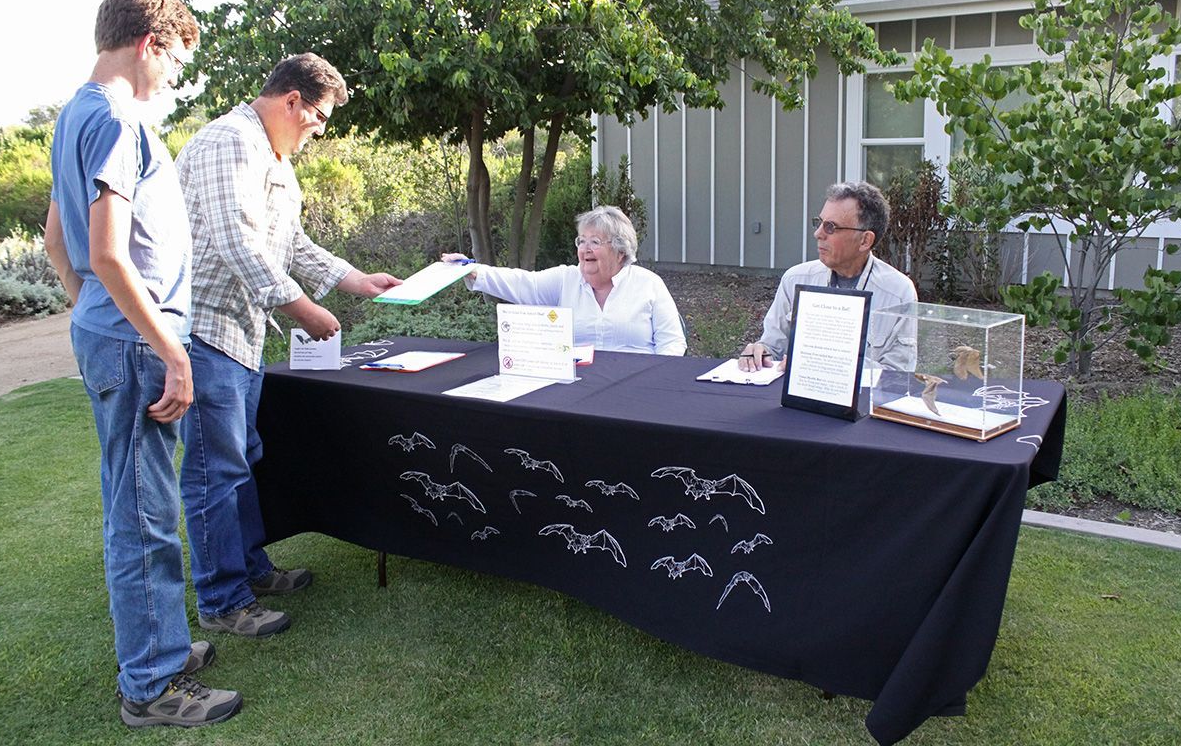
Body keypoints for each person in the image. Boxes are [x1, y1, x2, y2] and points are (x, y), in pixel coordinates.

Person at [44, 0, 242, 727]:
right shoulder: (118, 120)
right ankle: (152, 686)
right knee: (143, 515)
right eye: (175, 62)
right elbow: (108, 251)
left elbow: (57, 240)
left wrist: (87, 310)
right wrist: (170, 349)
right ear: (149, 42)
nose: (172, 80)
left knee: (141, 504)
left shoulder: (73, 116)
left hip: (116, 331)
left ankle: (159, 643)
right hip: (138, 339)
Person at [175, 53, 402, 638]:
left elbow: (291, 243)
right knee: (213, 472)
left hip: (243, 337)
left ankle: (250, 568)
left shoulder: (275, 158)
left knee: (242, 460)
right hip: (206, 331)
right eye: (318, 117)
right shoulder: (231, 142)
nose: (320, 131)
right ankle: (223, 601)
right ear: (292, 101)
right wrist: (300, 307)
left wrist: (355, 280)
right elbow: (235, 241)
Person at [443, 206, 686, 355]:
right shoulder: (565, 279)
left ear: (620, 251)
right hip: (577, 388)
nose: (585, 249)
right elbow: (521, 283)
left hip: (636, 388)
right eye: (581, 241)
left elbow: (672, 344)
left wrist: (655, 381)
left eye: (595, 242)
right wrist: (472, 269)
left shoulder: (649, 284)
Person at [739, 181, 917, 373]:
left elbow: (898, 375)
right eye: (819, 223)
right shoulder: (795, 279)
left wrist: (827, 365)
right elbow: (773, 347)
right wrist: (759, 352)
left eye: (830, 227)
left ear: (865, 240)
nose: (817, 234)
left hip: (863, 402)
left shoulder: (898, 293)